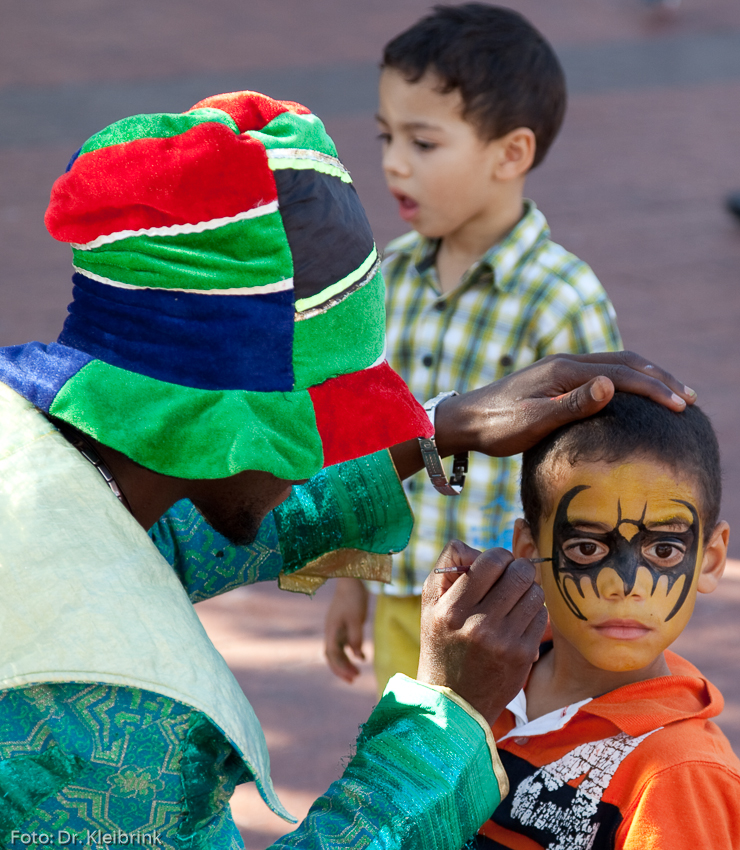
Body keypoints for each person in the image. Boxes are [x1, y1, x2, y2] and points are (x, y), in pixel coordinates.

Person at [0, 89, 693, 850]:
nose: (327, 454)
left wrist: (434, 429)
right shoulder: (93, 713)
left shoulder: (50, 464)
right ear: (225, 424)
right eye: (320, 426)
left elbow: (167, 539)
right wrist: (444, 721)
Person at [324, 4, 622, 694]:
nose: (394, 163)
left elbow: (594, 475)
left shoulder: (559, 299)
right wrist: (350, 581)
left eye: (423, 143)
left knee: (500, 782)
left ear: (510, 153)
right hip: (408, 601)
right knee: (413, 766)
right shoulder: (387, 279)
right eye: (385, 136)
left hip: (518, 618)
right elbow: (360, 444)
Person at [474, 392, 740, 849]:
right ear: (527, 549)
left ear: (711, 560)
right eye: (586, 548)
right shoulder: (486, 673)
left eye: (664, 550)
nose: (625, 584)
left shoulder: (677, 777)